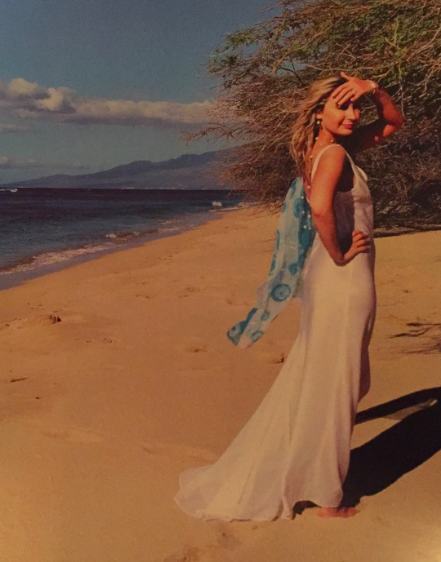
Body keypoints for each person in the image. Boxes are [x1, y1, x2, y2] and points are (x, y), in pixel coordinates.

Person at [173, 72, 405, 521]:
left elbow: (393, 123)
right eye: (342, 106)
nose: (354, 114)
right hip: (344, 278)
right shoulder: (334, 154)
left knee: (337, 378)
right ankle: (328, 496)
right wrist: (339, 254)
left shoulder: (326, 149)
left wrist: (373, 90)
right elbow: (319, 208)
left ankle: (310, 467)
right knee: (340, 383)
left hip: (330, 277)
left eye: (356, 106)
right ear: (319, 112)